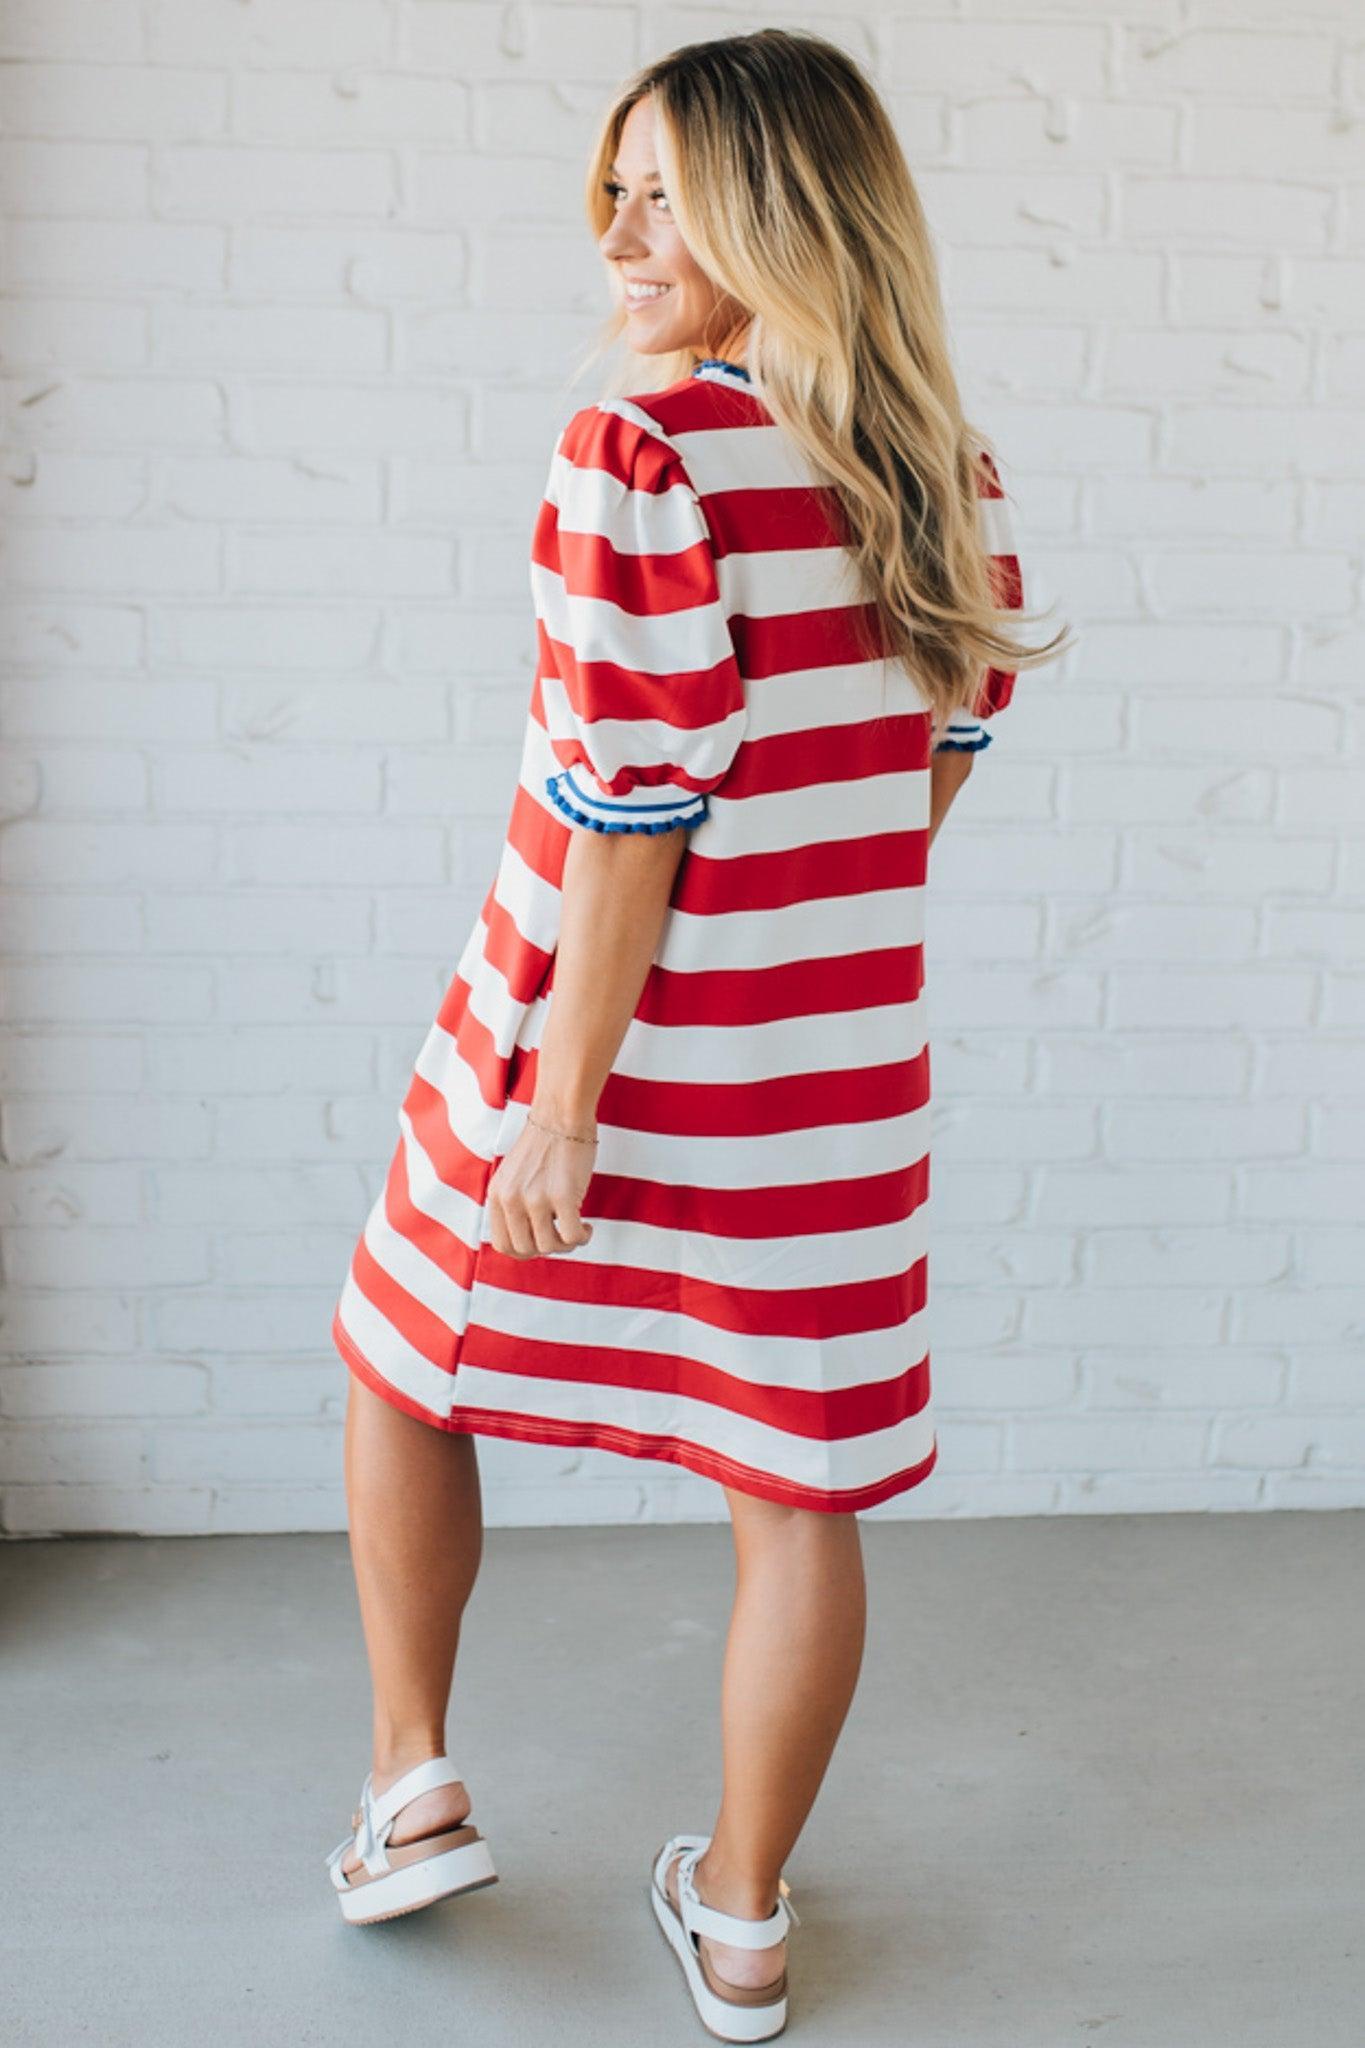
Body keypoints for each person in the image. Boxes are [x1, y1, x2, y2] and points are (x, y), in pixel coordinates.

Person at [324, 27, 1069, 2041]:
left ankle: (410, 1786)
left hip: (582, 1031)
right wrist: (799, 936)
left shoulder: (642, 451)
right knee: (792, 1490)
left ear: (781, 213)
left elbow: (628, 815)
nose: (622, 233)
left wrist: (562, 1099)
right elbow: (937, 760)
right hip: (821, 1086)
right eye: (616, 188)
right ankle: (739, 1921)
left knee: (400, 1352)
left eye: (668, 195)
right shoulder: (943, 465)